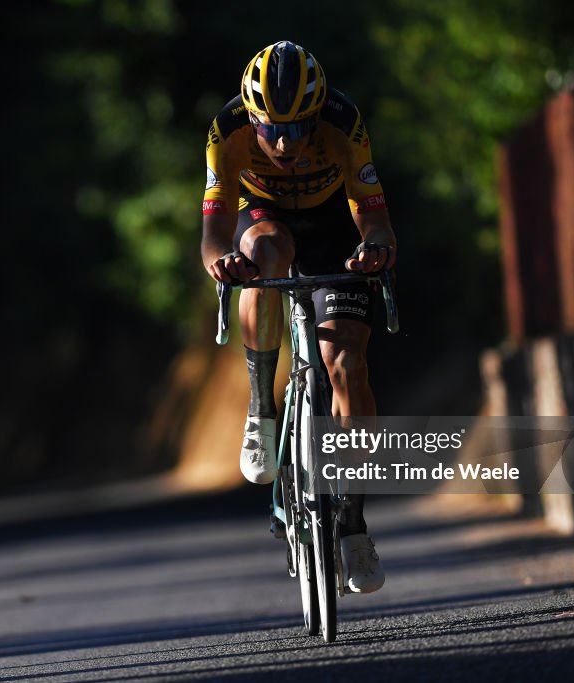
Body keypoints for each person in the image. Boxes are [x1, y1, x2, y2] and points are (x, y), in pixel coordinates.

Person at [199, 41, 397, 594]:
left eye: (298, 127)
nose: (285, 143)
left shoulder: (344, 122)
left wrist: (375, 249)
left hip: (333, 228)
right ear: (251, 118)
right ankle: (263, 407)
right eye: (271, 129)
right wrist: (223, 263)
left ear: (317, 115)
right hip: (262, 223)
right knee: (265, 254)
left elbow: (376, 219)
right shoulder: (226, 131)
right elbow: (213, 240)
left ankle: (354, 523)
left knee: (347, 367)